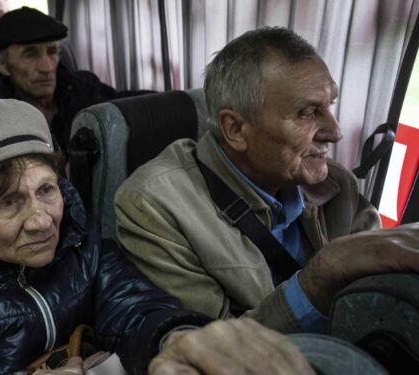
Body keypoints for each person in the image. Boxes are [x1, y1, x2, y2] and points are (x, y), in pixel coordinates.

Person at [0, 99, 315, 375]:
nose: (42, 221)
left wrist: (174, 340)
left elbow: (137, 309)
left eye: (46, 190)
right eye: (7, 202)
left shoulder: (82, 244)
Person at [115, 27, 419, 334]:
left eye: (330, 106)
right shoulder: (152, 207)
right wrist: (322, 275)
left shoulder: (337, 183)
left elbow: (377, 294)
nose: (336, 132)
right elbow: (211, 350)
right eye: (307, 113)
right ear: (235, 128)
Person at [0, 7, 117, 152]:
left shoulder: (82, 87)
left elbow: (128, 105)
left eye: (51, 52)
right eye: (30, 55)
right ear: (2, 64)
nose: (47, 68)